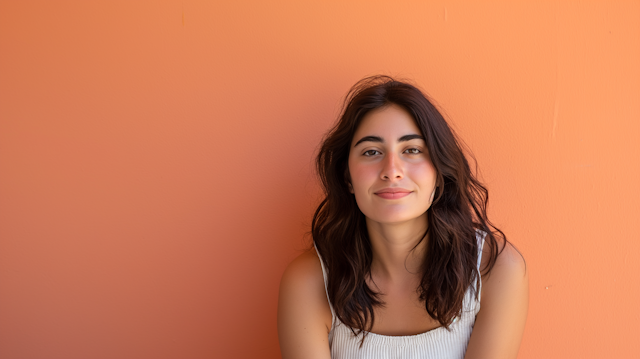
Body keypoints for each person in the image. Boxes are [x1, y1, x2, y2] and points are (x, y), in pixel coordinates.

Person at [278, 76, 528, 359]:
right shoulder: (309, 282)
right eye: (371, 152)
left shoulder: (494, 269)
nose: (392, 170)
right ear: (347, 178)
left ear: (438, 172)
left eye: (412, 150)